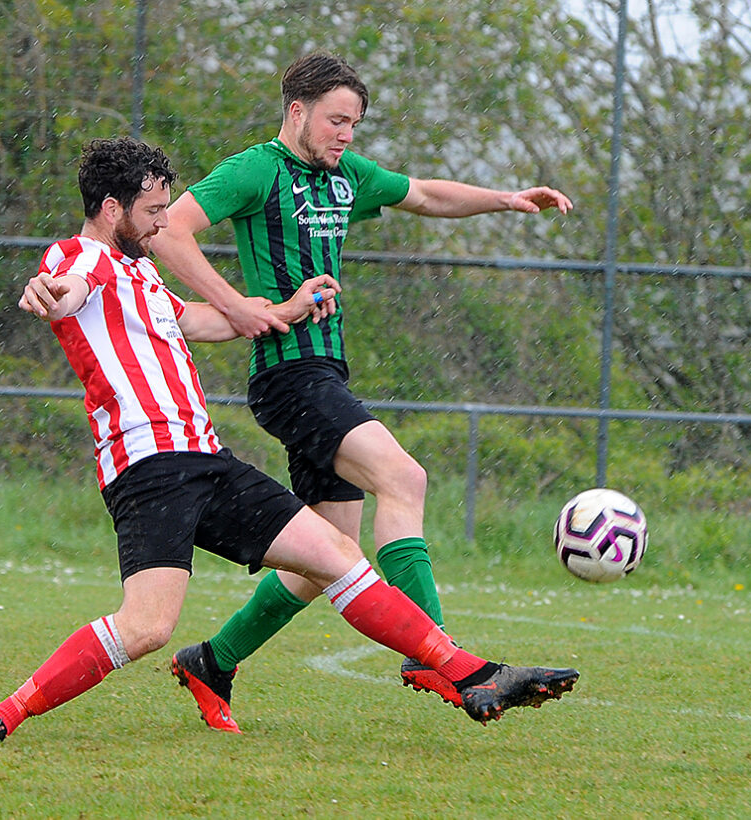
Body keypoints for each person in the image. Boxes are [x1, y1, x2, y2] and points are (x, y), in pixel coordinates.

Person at [0, 137, 578, 746]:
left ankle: (469, 673)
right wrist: (49, 295)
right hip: (149, 469)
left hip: (207, 460)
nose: (164, 224)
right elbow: (65, 291)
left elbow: (203, 319)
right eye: (154, 212)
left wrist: (287, 307)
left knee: (336, 553)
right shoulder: (80, 260)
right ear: (113, 210)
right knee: (146, 628)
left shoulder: (141, 279)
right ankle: (4, 715)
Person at [150, 51, 576, 732]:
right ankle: (437, 655)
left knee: (328, 558)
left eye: (355, 123)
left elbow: (428, 194)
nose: (347, 134)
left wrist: (506, 198)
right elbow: (170, 228)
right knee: (404, 477)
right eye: (336, 120)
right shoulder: (257, 168)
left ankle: (213, 660)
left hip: (323, 375)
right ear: (297, 110)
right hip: (290, 377)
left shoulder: (348, 177)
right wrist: (238, 305)